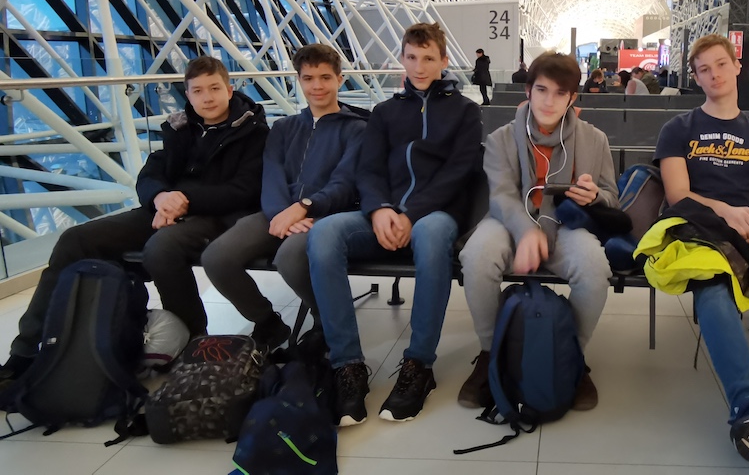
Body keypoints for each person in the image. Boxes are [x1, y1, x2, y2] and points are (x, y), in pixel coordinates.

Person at [0, 56, 269, 392]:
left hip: (219, 215)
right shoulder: (180, 128)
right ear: (188, 95)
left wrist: (182, 199)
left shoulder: (254, 131)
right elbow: (150, 173)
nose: (207, 97)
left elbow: (244, 191)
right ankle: (26, 350)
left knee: (162, 248)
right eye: (198, 91)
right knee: (76, 239)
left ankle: (192, 340)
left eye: (214, 88)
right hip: (166, 209)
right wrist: (160, 198)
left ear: (229, 90)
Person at [306, 23, 482, 426]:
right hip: (384, 213)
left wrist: (410, 213)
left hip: (434, 214)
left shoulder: (465, 111)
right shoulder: (385, 112)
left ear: (444, 60)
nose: (419, 67)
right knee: (324, 233)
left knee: (432, 235)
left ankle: (419, 364)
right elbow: (368, 170)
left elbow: (458, 172)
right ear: (402, 59)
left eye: (428, 58)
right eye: (412, 57)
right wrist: (379, 209)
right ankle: (347, 364)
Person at [654, 34, 749, 474]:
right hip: (703, 230)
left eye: (721, 64)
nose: (714, 75)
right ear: (695, 77)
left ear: (736, 66)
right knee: (713, 288)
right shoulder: (679, 129)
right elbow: (679, 195)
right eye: (704, 69)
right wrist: (728, 212)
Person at [458, 52, 618, 411]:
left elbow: (611, 196)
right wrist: (526, 231)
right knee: (477, 255)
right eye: (542, 90)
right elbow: (501, 196)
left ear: (572, 98)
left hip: (565, 224)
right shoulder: (501, 138)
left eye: (560, 93)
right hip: (509, 222)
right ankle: (489, 353)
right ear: (528, 91)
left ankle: (571, 354)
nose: (549, 101)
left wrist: (595, 196)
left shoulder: (594, 140)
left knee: (594, 266)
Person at [201, 45, 366, 351]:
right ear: (298, 80)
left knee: (290, 257)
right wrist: (282, 214)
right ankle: (267, 322)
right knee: (216, 257)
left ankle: (325, 322)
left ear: (340, 80)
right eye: (308, 78)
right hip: (278, 213)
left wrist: (304, 208)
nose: (317, 86)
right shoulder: (283, 128)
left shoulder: (357, 129)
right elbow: (272, 176)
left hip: (325, 214)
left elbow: (345, 183)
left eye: (325, 77)